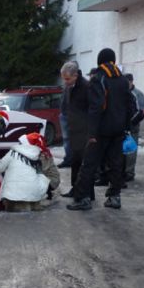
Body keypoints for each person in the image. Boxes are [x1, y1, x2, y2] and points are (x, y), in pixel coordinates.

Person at [67, 48, 136, 211]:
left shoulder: (98, 79)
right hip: (118, 130)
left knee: (89, 165)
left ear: (100, 61)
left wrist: (91, 132)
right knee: (116, 165)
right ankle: (114, 197)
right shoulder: (122, 80)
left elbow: (95, 107)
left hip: (100, 131)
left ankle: (82, 199)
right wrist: (126, 126)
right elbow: (130, 105)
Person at [0, 133, 51, 211]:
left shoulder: (13, 153)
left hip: (12, 198)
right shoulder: (37, 155)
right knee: (40, 177)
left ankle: (17, 204)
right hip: (34, 195)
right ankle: (33, 203)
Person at [59, 61, 92, 201]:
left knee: (85, 164)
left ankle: (86, 193)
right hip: (74, 130)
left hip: (84, 132)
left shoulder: (86, 87)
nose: (65, 82)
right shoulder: (69, 87)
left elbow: (92, 109)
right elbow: (67, 106)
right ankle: (75, 188)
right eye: (63, 78)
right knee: (75, 162)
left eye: (67, 79)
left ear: (76, 75)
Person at [124, 73, 144, 182]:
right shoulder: (121, 92)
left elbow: (142, 111)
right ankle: (122, 171)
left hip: (132, 127)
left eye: (127, 82)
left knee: (131, 150)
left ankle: (129, 172)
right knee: (122, 150)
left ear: (132, 81)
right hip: (121, 127)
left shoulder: (138, 94)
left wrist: (132, 122)